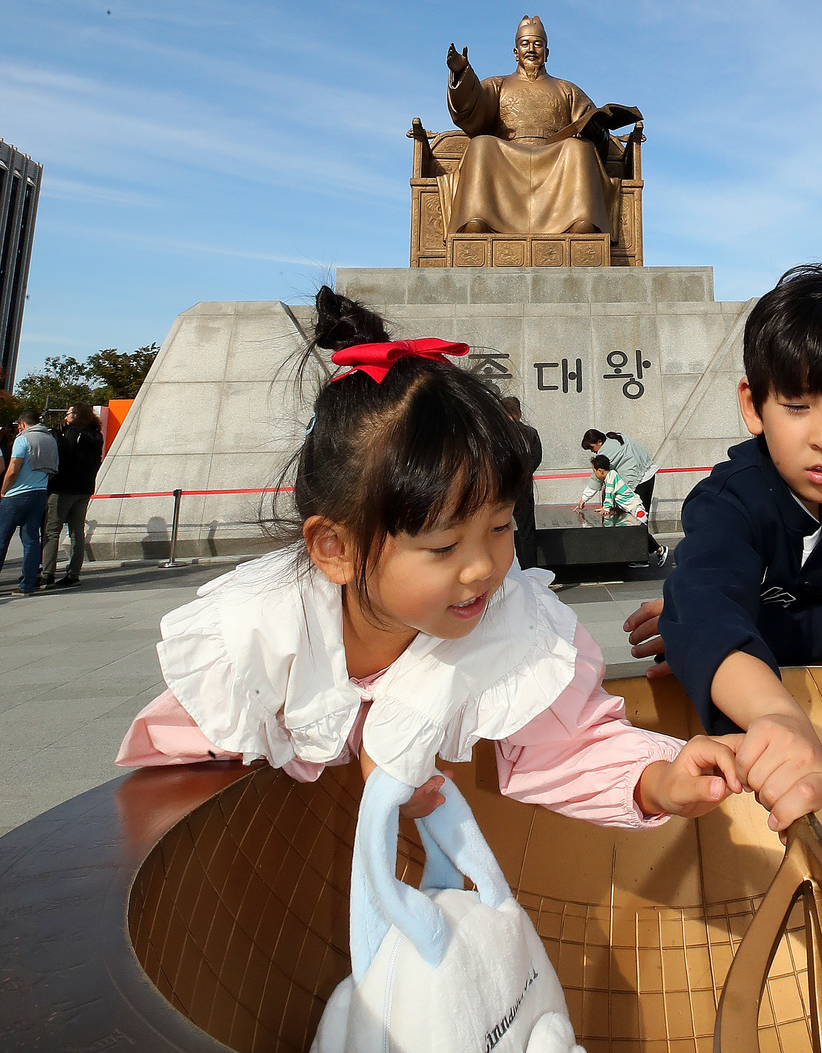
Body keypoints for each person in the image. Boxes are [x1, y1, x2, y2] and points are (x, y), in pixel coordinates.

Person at [117, 289, 743, 836]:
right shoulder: (262, 639)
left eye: (499, 528)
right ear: (335, 548)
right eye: (443, 547)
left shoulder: (513, 624)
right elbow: (181, 759)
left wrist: (657, 781)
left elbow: (568, 742)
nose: (482, 569)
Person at [624, 264, 822, 833]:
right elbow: (707, 598)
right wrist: (770, 706)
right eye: (797, 406)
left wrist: (730, 625)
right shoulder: (728, 501)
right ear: (752, 406)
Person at [443, 17, 641, 239]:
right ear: (516, 52)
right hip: (508, 154)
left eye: (537, 44)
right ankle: (478, 219)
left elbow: (589, 125)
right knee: (480, 144)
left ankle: (580, 221)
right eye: (525, 44)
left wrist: (597, 130)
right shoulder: (498, 84)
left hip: (555, 155)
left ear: (547, 52)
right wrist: (462, 73)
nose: (531, 49)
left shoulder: (566, 89)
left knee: (579, 149)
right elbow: (471, 109)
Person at [580, 427, 668, 567]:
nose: (593, 451)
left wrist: (584, 498)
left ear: (599, 441)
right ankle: (642, 555)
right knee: (636, 520)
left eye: (592, 448)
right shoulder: (615, 437)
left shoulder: (606, 451)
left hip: (641, 481)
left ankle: (655, 551)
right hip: (646, 473)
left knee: (635, 522)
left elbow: (597, 477)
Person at [41, 400, 104, 589]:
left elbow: (62, 458)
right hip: (84, 487)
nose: (65, 417)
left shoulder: (71, 434)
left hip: (64, 487)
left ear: (76, 415)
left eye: (68, 414)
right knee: (77, 532)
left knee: (52, 531)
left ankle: (47, 573)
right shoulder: (96, 435)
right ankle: (73, 572)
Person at [1, 408, 59, 598]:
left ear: (23, 424)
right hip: (39, 494)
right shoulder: (50, 439)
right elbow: (53, 470)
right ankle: (28, 584)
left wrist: (3, 490)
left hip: (17, 495)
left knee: (2, 539)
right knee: (31, 540)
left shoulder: (23, 439)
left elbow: (13, 468)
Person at [500, 393, 542, 571]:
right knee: (527, 532)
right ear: (519, 411)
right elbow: (537, 458)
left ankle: (504, 571)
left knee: (498, 530)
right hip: (524, 488)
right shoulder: (530, 432)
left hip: (501, 488)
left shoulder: (497, 433)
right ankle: (530, 572)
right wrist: (524, 473)